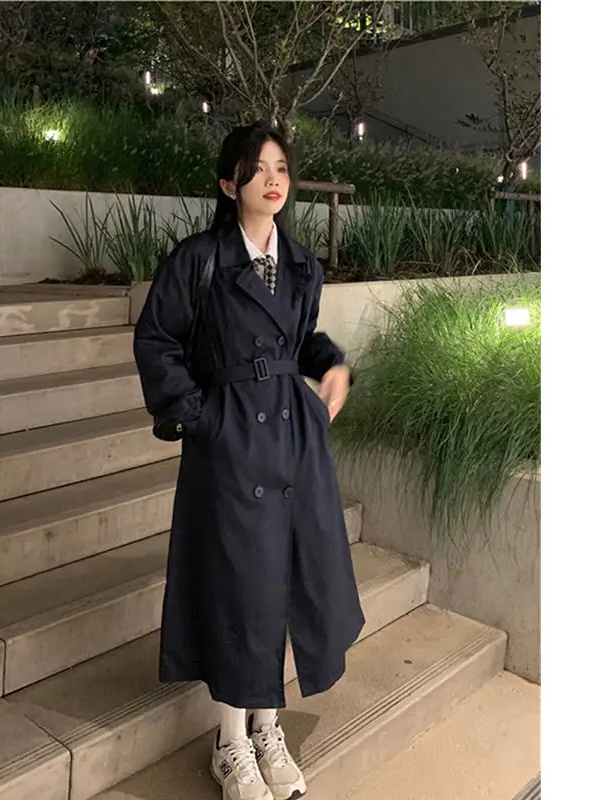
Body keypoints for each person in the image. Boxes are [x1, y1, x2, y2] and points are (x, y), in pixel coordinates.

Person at [133, 122, 365, 800]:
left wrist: (333, 365)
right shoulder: (199, 259)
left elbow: (300, 338)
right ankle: (231, 741)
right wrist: (201, 417)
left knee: (288, 577)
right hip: (231, 443)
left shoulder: (301, 265)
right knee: (239, 584)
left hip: (293, 440)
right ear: (228, 182)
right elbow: (157, 340)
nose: (273, 179)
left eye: (282, 167)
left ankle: (268, 726)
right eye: (258, 168)